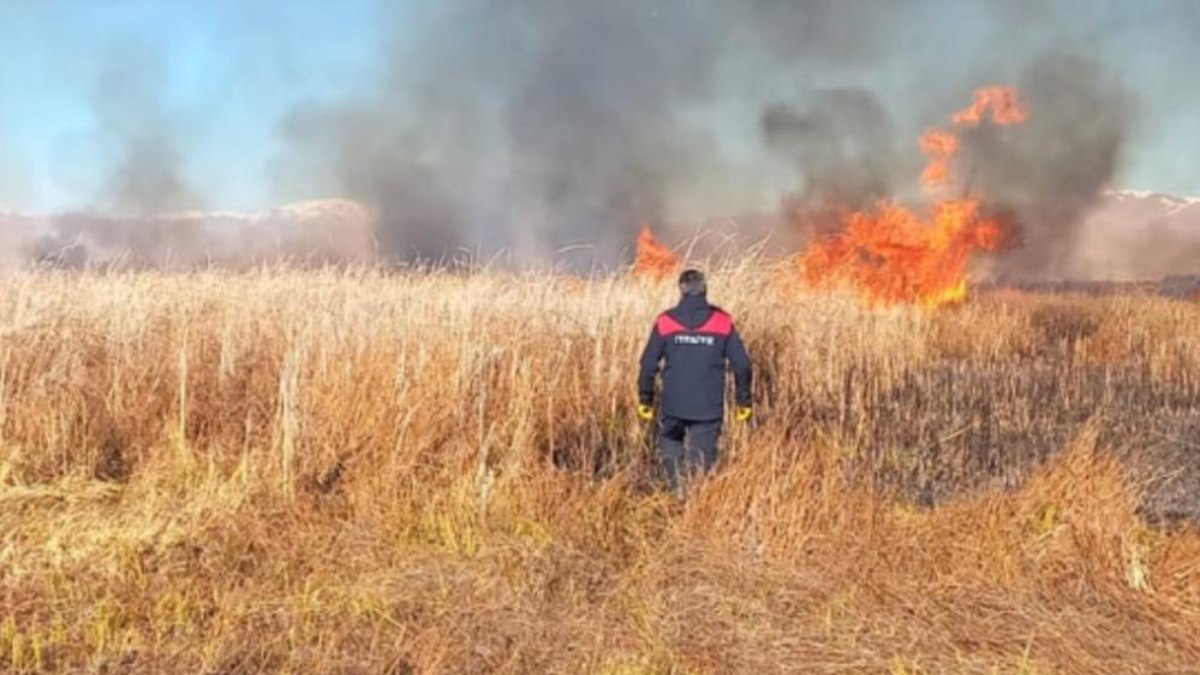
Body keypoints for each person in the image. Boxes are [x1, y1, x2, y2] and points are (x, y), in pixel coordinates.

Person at [637, 269, 752, 497]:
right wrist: (744, 402)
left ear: (681, 290)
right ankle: (695, 504)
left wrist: (645, 399)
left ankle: (677, 493)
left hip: (673, 406)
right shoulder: (722, 322)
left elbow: (648, 364)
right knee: (701, 463)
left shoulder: (666, 321)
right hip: (707, 409)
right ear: (705, 289)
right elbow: (742, 364)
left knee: (670, 444)